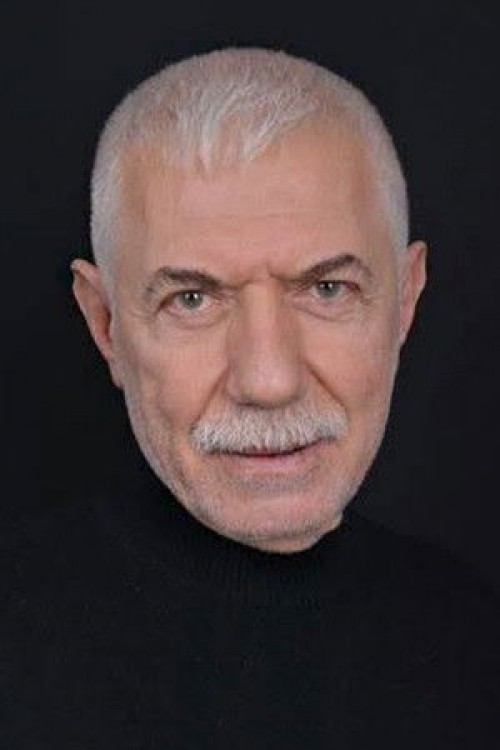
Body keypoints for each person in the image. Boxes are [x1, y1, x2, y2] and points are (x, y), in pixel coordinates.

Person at [1, 47, 498, 748]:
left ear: (405, 302)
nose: (269, 382)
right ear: (104, 323)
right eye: (192, 299)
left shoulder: (475, 639)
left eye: (328, 289)